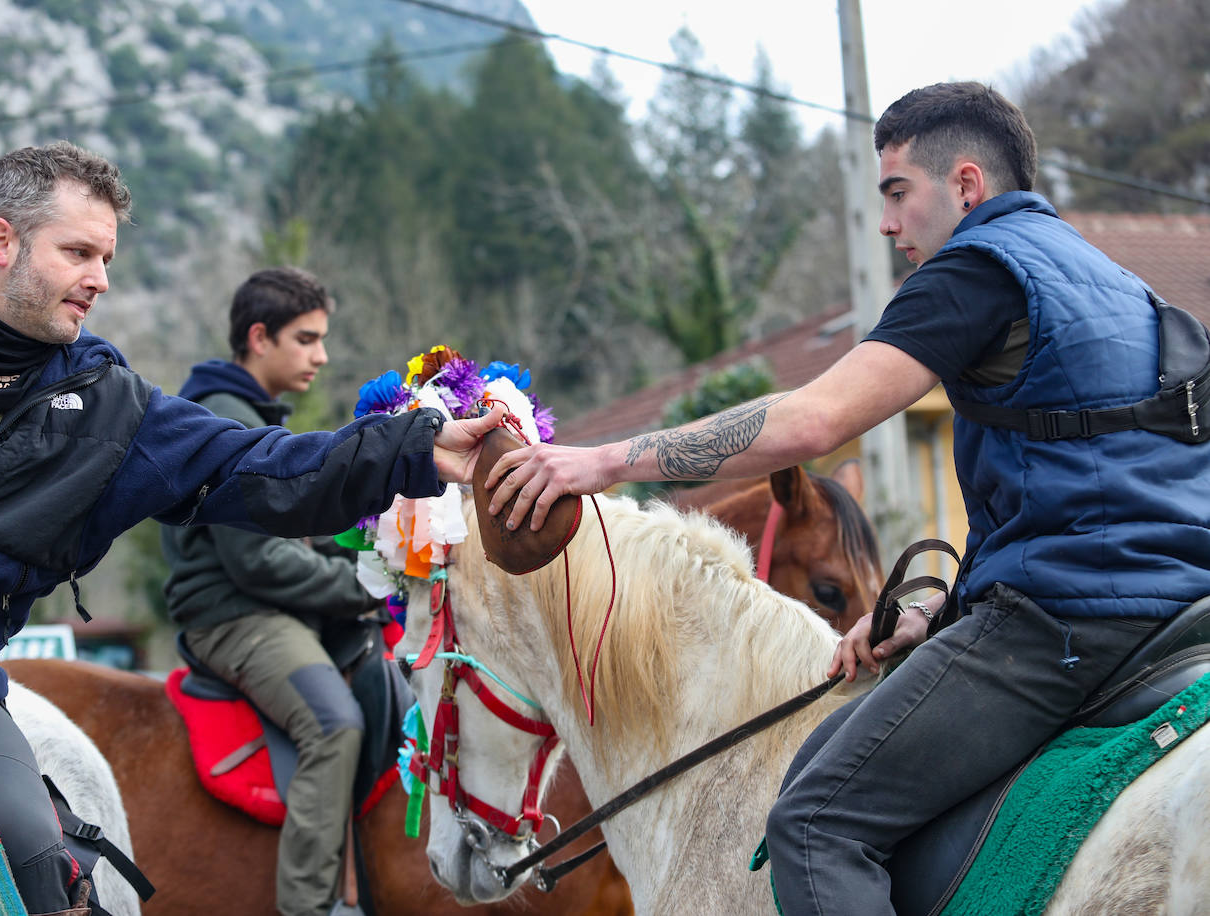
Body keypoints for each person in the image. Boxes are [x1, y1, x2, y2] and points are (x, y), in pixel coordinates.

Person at [482, 81, 1210, 913]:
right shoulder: (1121, 286)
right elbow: (1085, 490)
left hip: (1065, 629)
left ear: (966, 187)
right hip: (1182, 610)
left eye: (898, 193)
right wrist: (937, 615)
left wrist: (603, 462)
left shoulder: (977, 268)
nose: (888, 224)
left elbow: (813, 420)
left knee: (813, 820)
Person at [0, 141, 502, 916]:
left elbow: (272, 468)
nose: (100, 280)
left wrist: (415, 448)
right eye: (78, 251)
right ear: (1, 240)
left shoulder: (110, 411)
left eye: (107, 257)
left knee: (36, 861)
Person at [160, 267, 379, 916]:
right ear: (259, 338)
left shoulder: (246, 413)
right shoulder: (226, 420)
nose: (322, 355)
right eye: (307, 339)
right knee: (336, 726)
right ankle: (310, 908)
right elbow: (257, 561)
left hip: (262, 605)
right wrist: (366, 587)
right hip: (238, 616)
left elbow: (299, 536)